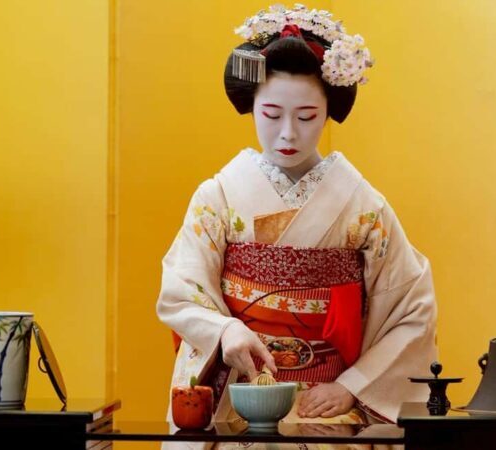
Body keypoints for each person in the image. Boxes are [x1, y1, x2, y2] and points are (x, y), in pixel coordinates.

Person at [156, 4, 437, 443]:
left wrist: (352, 387)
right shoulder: (219, 197)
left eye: (306, 117)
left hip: (327, 403)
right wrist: (225, 329)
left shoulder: (364, 206)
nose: (288, 133)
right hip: (240, 396)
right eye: (271, 115)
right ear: (251, 107)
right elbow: (180, 290)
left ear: (328, 112)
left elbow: (412, 308)